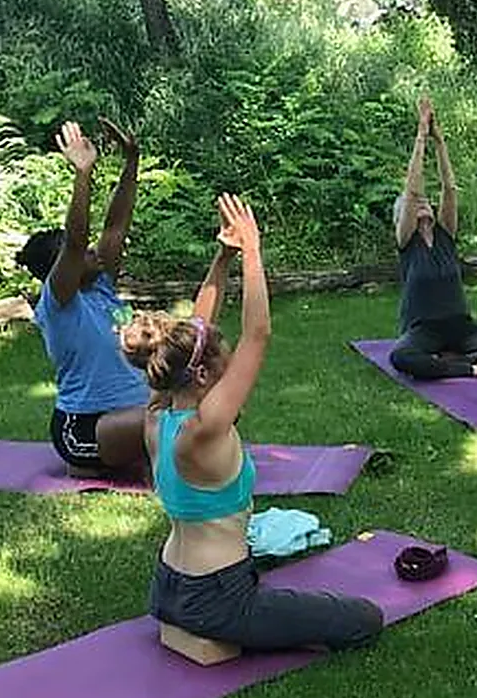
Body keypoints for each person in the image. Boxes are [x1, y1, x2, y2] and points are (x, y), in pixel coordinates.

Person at [123, 194, 383, 652]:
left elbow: (192, 333)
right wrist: (254, 251)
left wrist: (223, 257)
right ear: (203, 376)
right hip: (219, 599)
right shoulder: (204, 429)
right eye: (223, 367)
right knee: (364, 619)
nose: (230, 374)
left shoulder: (156, 414)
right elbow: (257, 335)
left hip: (166, 588)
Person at [16, 118, 150, 476]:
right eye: (79, 254)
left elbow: (116, 226)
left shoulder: (101, 287)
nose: (91, 251)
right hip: (84, 430)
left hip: (135, 420)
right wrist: (83, 173)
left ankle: (153, 448)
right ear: (59, 267)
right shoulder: (59, 303)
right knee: (171, 421)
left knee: (212, 404)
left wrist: (131, 162)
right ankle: (135, 455)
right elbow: (76, 239)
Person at [389, 97, 477, 380]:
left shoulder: (445, 234)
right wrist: (420, 135)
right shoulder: (407, 242)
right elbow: (413, 187)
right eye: (413, 202)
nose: (421, 202)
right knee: (402, 357)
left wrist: (439, 142)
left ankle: (457, 360)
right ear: (403, 213)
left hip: (461, 328)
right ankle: (472, 368)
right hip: (423, 331)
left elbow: (450, 188)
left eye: (424, 200)